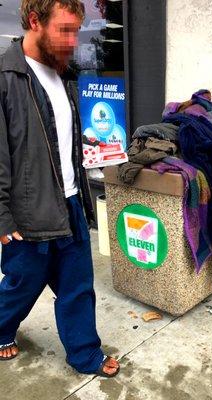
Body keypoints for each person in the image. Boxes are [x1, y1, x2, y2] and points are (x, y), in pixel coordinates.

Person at [0, 0, 119, 378]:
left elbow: (59, 141)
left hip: (70, 202)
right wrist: (2, 217)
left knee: (78, 285)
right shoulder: (6, 77)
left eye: (76, 31)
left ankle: (85, 354)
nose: (72, 41)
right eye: (64, 30)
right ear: (35, 21)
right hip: (27, 211)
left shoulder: (63, 73)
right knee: (23, 283)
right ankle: (1, 328)